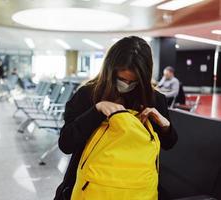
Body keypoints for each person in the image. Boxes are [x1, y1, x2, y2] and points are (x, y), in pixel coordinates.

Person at [54, 36, 178, 200]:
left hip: (136, 186)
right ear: (109, 70)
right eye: (121, 79)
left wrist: (165, 126)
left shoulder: (153, 98)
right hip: (91, 186)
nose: (126, 84)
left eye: (133, 81)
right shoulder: (88, 94)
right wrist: (96, 111)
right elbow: (66, 144)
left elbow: (169, 144)